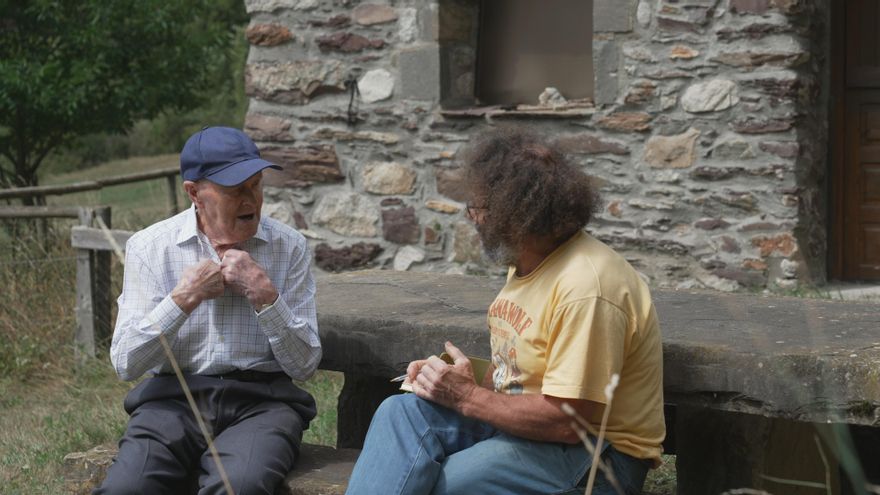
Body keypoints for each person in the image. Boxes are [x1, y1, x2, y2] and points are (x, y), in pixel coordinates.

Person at [345, 128, 665, 495]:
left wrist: (465, 397)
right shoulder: (529, 259)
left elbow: (568, 422)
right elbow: (531, 373)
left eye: (478, 208)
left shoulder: (586, 288)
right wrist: (461, 380)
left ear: (516, 218)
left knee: (447, 484)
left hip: (599, 456)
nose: (472, 218)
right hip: (533, 430)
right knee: (398, 415)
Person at [97, 126, 321, 495]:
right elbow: (125, 363)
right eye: (235, 190)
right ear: (194, 193)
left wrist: (266, 296)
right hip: (171, 402)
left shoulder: (288, 246)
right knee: (126, 488)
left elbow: (305, 365)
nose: (251, 200)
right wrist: (183, 298)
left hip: (262, 403)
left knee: (241, 486)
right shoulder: (150, 248)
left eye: (256, 185)